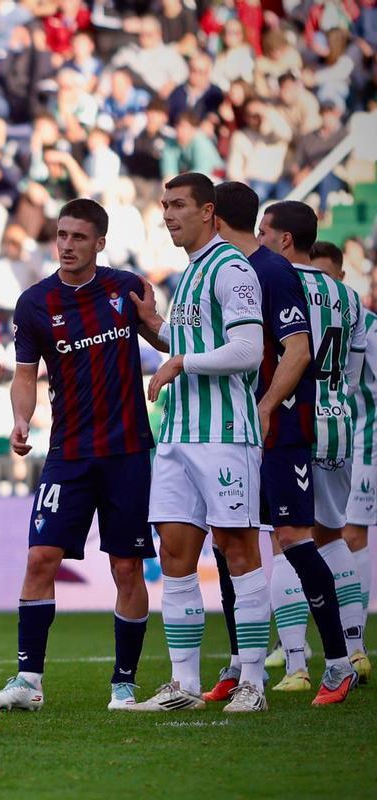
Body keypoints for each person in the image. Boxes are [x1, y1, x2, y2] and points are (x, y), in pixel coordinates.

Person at [0, 199, 157, 712]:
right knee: (40, 558)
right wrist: (19, 418)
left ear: (99, 242)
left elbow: (168, 340)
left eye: (79, 237)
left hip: (127, 451)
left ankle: (123, 685)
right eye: (61, 235)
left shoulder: (125, 288)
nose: (66, 244)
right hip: (69, 452)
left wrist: (155, 321)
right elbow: (23, 374)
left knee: (127, 568)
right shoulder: (35, 302)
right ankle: (28, 682)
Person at [202, 183, 355, 706]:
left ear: (213, 217)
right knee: (229, 540)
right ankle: (244, 663)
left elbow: (297, 350)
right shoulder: (221, 271)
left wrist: (265, 407)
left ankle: (337, 662)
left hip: (280, 430)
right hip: (236, 433)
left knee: (294, 537)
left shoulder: (269, 270)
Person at [130, 172, 269, 713]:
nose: (168, 214)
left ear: (209, 212)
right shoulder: (189, 274)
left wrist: (181, 360)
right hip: (177, 435)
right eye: (164, 205)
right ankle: (184, 686)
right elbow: (189, 344)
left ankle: (252, 682)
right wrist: (154, 330)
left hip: (224, 435)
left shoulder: (233, 268)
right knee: (175, 555)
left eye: (179, 205)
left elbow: (247, 351)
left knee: (238, 549)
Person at [257, 204, 368, 687]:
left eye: (264, 232)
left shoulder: (275, 285)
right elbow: (356, 371)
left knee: (286, 541)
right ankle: (356, 648)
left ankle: (298, 665)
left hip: (291, 423)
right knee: (330, 534)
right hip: (337, 421)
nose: (257, 241)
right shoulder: (349, 296)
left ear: (284, 241)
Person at [311, 240, 374, 683]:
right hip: (338, 436)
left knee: (345, 537)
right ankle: (306, 649)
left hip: (359, 443)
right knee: (319, 537)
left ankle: (352, 647)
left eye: (327, 279)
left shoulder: (365, 322)